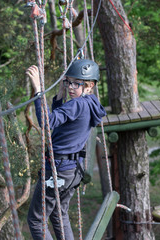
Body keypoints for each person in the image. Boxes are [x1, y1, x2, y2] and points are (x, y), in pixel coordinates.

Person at [26, 59, 106, 240]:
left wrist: (39, 90)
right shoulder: (90, 103)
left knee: (36, 220)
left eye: (76, 83)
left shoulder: (76, 104)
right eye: (68, 82)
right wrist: (60, 97)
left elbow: (47, 123)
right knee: (59, 213)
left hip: (58, 171)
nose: (71, 87)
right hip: (72, 172)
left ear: (89, 85)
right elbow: (62, 121)